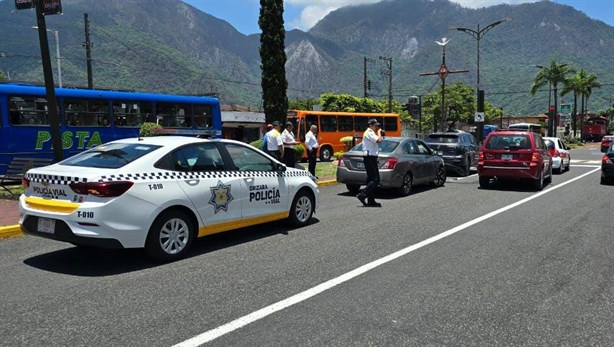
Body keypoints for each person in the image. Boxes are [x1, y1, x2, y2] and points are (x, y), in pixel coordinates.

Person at [356, 119, 383, 207]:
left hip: (371, 157)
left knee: (371, 180)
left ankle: (371, 200)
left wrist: (379, 133)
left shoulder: (371, 132)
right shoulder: (369, 132)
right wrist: (379, 132)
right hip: (369, 157)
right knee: (376, 179)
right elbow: (379, 140)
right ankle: (362, 195)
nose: (377, 127)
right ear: (371, 125)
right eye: (376, 126)